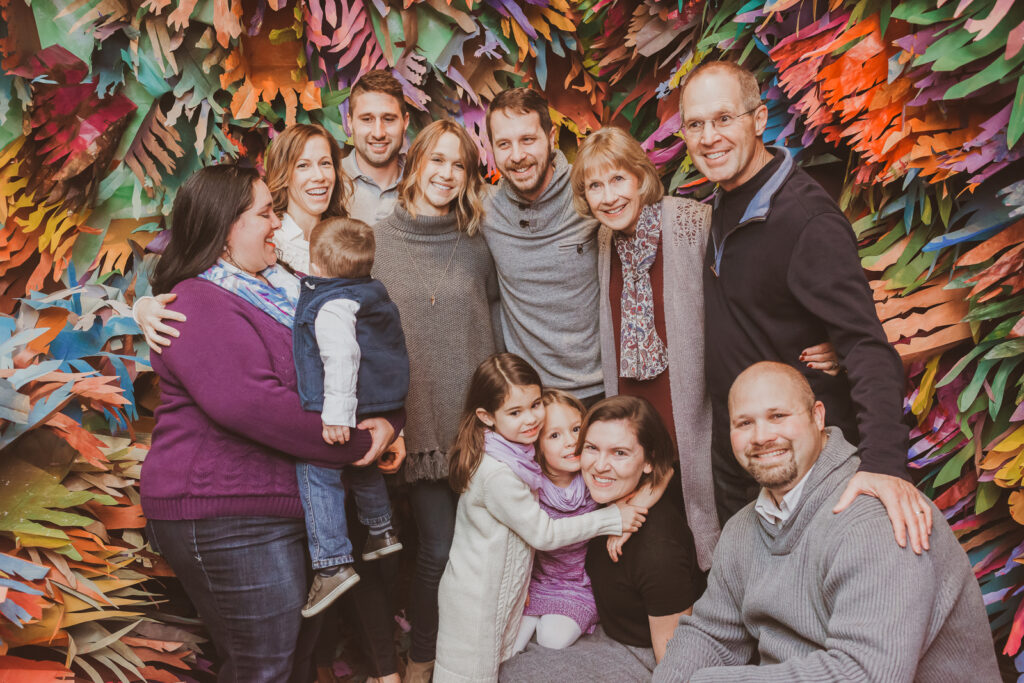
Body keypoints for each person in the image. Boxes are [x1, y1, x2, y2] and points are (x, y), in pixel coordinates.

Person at [136, 124, 406, 683]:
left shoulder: (282, 287)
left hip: (276, 509)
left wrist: (388, 422)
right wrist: (356, 443)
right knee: (266, 665)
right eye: (264, 213)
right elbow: (248, 404)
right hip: (225, 515)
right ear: (224, 227)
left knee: (291, 662)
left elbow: (356, 361)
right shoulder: (196, 301)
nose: (277, 221)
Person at [679, 61, 933, 551]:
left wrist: (883, 467)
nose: (709, 137)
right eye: (695, 124)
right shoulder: (716, 208)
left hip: (802, 467)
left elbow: (865, 346)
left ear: (757, 120)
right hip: (742, 463)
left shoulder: (805, 219)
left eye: (724, 118)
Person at [570, 125, 839, 570]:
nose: (608, 196)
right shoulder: (606, 239)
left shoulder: (688, 220)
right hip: (642, 402)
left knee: (716, 514)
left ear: (640, 176)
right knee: (664, 524)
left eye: (618, 179)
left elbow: (755, 279)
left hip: (696, 401)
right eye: (594, 186)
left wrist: (825, 333)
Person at [653, 362, 1000, 682]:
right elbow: (711, 633)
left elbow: (866, 675)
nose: (760, 437)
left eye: (777, 416)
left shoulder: (874, 517)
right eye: (745, 423)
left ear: (817, 416)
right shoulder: (742, 529)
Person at [371, 118, 498, 682]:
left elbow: (492, 321)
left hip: (480, 426)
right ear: (415, 163)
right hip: (415, 430)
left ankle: (471, 659)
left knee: (484, 553)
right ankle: (422, 661)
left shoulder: (478, 244)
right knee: (438, 551)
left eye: (459, 164)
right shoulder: (375, 243)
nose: (446, 173)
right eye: (437, 160)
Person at [435, 354, 647, 683]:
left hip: (502, 591)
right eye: (515, 412)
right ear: (486, 416)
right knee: (468, 675)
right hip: (476, 600)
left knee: (501, 668)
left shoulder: (516, 455)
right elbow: (543, 534)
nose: (532, 418)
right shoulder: (499, 474)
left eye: (535, 404)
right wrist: (611, 519)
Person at [500, 395, 704, 683]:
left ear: (648, 461)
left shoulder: (658, 553)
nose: (600, 466)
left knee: (519, 674)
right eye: (592, 448)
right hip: (602, 625)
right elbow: (666, 470)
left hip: (638, 653)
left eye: (619, 453)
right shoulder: (595, 497)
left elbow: (675, 664)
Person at [292, 217, 410, 617]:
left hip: (349, 402)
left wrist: (336, 414)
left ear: (317, 268)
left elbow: (342, 357)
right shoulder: (368, 290)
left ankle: (332, 563)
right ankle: (380, 529)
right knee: (363, 464)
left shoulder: (331, 306)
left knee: (318, 469)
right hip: (379, 397)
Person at [514, 389, 669, 653]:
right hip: (539, 580)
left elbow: (663, 475)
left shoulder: (595, 479)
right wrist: (519, 584)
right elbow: (518, 539)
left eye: (577, 429)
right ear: (537, 446)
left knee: (552, 639)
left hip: (579, 584)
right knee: (510, 641)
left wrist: (626, 514)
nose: (570, 442)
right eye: (554, 435)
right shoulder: (530, 486)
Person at [482, 88, 604, 405]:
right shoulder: (486, 212)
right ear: (491, 148)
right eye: (504, 144)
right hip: (531, 399)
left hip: (601, 388)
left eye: (528, 140)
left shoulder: (590, 195)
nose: (517, 155)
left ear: (550, 137)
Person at [343, 70, 409, 224]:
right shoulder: (328, 180)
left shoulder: (425, 182)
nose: (378, 133)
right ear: (349, 122)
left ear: (405, 122)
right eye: (367, 119)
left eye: (388, 119)